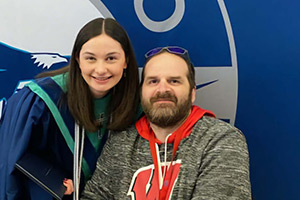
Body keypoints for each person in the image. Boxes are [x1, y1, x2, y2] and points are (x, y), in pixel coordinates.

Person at [81, 46, 252, 199]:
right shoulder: (121, 143)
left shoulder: (221, 140)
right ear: (142, 92)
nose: (162, 89)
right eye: (153, 81)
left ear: (192, 93)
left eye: (174, 81)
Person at [0, 17, 140, 200]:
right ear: (77, 59)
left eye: (111, 58)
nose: (100, 69)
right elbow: (10, 169)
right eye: (90, 58)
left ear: (126, 61)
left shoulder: (136, 105)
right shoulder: (40, 101)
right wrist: (52, 183)